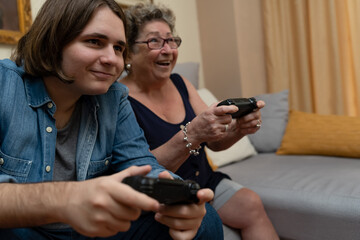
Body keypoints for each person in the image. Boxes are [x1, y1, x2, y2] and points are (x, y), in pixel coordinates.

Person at [0, 0, 224, 239]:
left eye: (118, 48)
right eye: (94, 42)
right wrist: (68, 197)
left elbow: (140, 164)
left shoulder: (113, 98)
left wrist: (177, 196)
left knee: (205, 219)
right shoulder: (5, 84)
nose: (112, 60)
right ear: (52, 41)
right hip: (23, 230)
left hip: (92, 231)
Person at [120, 3, 279, 240]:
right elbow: (140, 171)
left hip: (203, 180)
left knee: (251, 203)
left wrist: (238, 130)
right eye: (155, 41)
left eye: (171, 40)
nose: (168, 50)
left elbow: (215, 142)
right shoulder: (120, 99)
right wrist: (192, 134)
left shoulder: (181, 83)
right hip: (166, 192)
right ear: (130, 52)